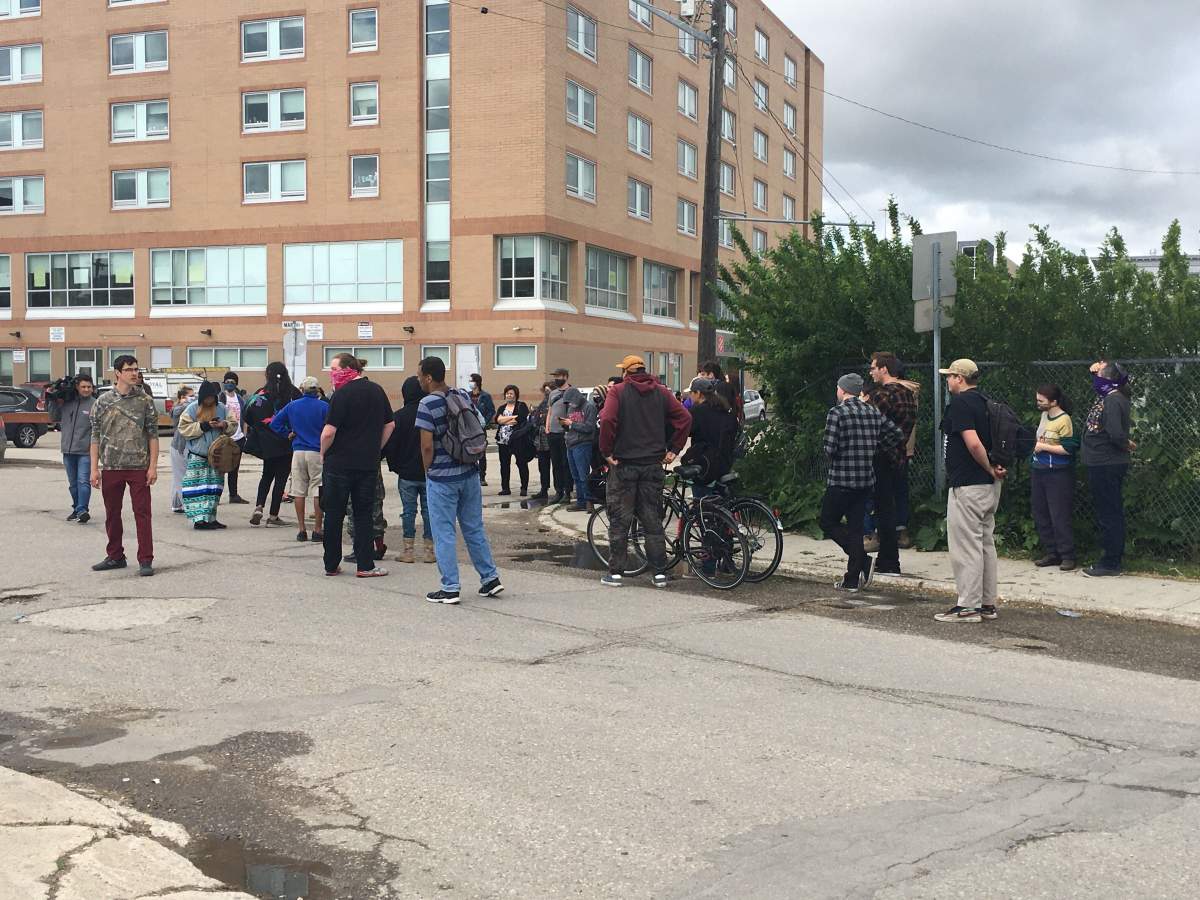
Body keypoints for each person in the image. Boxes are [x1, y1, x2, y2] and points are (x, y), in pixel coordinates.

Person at [597, 355, 691, 588]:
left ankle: (615, 573)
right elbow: (685, 417)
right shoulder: (661, 392)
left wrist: (606, 451)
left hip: (624, 464)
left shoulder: (617, 392)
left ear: (626, 372)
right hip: (652, 465)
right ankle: (659, 573)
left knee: (620, 520)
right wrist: (674, 449)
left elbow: (607, 419)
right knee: (652, 521)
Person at [416, 356, 504, 603]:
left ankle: (450, 587)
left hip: (442, 478)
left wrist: (428, 471)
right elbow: (479, 423)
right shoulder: (462, 395)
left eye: (420, 375)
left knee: (443, 532)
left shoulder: (427, 403)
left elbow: (426, 447)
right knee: (474, 528)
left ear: (429, 377)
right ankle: (490, 579)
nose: (419, 379)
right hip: (469, 471)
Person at [935, 359, 1007, 623]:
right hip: (989, 487)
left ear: (960, 379)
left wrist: (987, 467)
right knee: (985, 544)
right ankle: (987, 603)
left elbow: (973, 443)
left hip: (968, 484)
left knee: (966, 547)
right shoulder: (985, 402)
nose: (947, 380)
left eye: (950, 376)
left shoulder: (962, 404)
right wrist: (993, 471)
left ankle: (967, 606)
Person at [820, 373, 904, 593]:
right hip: (865, 479)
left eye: (838, 388)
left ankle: (862, 561)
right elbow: (896, 434)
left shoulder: (836, 413)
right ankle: (852, 578)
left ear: (843, 390)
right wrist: (876, 447)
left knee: (828, 522)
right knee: (856, 528)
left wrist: (840, 454)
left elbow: (829, 449)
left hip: (841, 479)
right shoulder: (873, 411)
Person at [320, 354, 394, 577]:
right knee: (364, 514)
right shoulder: (377, 390)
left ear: (347, 369)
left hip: (338, 464)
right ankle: (365, 565)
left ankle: (331, 564)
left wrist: (323, 453)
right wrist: (375, 448)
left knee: (333, 513)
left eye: (334, 369)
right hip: (366, 464)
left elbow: (329, 431)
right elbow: (390, 425)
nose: (331, 373)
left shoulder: (340, 395)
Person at [89, 355, 158, 577]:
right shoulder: (103, 401)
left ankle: (145, 559)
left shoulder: (145, 401)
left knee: (142, 513)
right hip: (111, 466)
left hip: (138, 465)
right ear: (118, 373)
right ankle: (115, 555)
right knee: (112, 513)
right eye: (129, 369)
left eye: (136, 369)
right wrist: (94, 468)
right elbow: (95, 437)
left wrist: (153, 466)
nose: (134, 373)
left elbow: (153, 436)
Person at [864, 353, 918, 575]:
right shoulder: (908, 394)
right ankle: (889, 559)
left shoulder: (881, 396)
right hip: (899, 455)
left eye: (874, 368)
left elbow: (870, 425)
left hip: (880, 457)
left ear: (884, 369)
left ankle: (888, 559)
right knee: (891, 506)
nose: (871, 372)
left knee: (882, 509)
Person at [1081, 360, 1134, 577]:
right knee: (1108, 511)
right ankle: (1110, 559)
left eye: (1101, 374)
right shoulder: (1109, 396)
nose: (1097, 378)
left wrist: (1124, 443)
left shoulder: (1113, 400)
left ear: (1110, 380)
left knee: (1109, 513)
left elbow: (1115, 433)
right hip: (1102, 461)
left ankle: (1111, 562)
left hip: (1106, 463)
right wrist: (1095, 371)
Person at [270, 376, 329, 543]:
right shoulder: (324, 406)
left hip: (298, 451)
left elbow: (275, 424)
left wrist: (287, 433)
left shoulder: (292, 406)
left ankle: (302, 529)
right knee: (318, 490)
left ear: (302, 390)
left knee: (298, 491)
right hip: (317, 451)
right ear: (317, 390)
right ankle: (317, 529)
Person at [384, 375, 436, 565]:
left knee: (408, 511)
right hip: (428, 471)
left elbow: (391, 445)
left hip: (406, 473)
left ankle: (408, 551)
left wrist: (395, 466)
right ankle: (429, 551)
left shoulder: (399, 415)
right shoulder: (430, 412)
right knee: (429, 511)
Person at [243, 362, 300, 527]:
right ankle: (273, 515)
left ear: (267, 374)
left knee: (266, 475)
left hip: (267, 443)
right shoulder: (293, 393)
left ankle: (259, 506)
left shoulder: (261, 394)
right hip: (287, 440)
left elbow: (248, 414)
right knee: (281, 479)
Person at [1029, 384, 1079, 571]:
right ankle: (1052, 552)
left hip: (1058, 472)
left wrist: (1045, 448)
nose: (1038, 403)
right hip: (1039, 469)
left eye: (1041, 401)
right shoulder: (1044, 416)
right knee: (1041, 512)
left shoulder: (1064, 420)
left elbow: (1069, 448)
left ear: (1054, 402)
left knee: (1059, 514)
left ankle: (1068, 555)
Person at [176, 381, 233, 530]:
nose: (209, 401)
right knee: (196, 488)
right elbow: (183, 428)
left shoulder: (222, 408)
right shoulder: (192, 408)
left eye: (211, 398)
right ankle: (199, 520)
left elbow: (234, 424)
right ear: (202, 398)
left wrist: (224, 425)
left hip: (217, 456)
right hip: (198, 454)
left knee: (214, 488)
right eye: (206, 398)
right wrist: (204, 425)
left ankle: (211, 518)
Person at [51, 373, 96, 524]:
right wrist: (53, 400)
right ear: (77, 387)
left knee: (83, 481)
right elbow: (53, 417)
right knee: (73, 483)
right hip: (68, 450)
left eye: (89, 387)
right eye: (83, 386)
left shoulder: (95, 404)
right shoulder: (67, 402)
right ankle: (77, 508)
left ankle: (83, 509)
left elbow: (99, 430)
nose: (86, 389)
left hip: (85, 451)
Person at [680, 377, 738, 489]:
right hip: (725, 462)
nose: (690, 396)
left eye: (691, 393)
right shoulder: (725, 408)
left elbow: (685, 431)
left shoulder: (697, 411)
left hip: (706, 464)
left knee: (701, 500)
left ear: (698, 393)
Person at [561, 386, 598, 512]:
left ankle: (589, 501)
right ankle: (581, 501)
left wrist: (572, 424)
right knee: (575, 475)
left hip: (583, 444)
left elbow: (589, 428)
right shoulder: (571, 408)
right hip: (570, 443)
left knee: (583, 475)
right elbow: (572, 426)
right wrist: (565, 425)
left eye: (571, 401)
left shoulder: (589, 407)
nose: (570, 404)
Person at [493, 385, 530, 496]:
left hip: (517, 440)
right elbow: (497, 420)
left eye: (511, 393)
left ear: (516, 395)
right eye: (507, 393)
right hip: (502, 441)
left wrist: (504, 420)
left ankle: (524, 488)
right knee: (504, 464)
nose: (509, 395)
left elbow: (519, 419)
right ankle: (505, 488)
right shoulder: (502, 407)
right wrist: (510, 418)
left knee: (521, 463)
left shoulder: (521, 405)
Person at [221, 372, 250, 504]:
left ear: (236, 384)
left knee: (235, 467)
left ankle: (234, 495)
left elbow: (245, 418)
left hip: (238, 437)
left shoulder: (240, 399)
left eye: (232, 381)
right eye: (227, 381)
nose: (229, 384)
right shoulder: (221, 397)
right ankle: (217, 495)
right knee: (220, 467)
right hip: (224, 437)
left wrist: (244, 434)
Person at [546, 367, 572, 503]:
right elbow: (550, 411)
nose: (556, 379)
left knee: (565, 463)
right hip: (553, 433)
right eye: (555, 376)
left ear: (565, 377)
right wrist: (547, 427)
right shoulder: (553, 393)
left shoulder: (572, 392)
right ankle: (558, 491)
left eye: (559, 376)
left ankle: (567, 493)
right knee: (555, 464)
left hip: (565, 433)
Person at [169, 385, 195, 514]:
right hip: (179, 446)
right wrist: (188, 404)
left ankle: (176, 504)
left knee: (178, 476)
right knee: (181, 477)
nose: (193, 398)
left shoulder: (187, 407)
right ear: (182, 397)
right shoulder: (179, 408)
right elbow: (177, 412)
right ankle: (186, 504)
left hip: (183, 445)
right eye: (190, 396)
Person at [469, 373, 496, 487]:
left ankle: (482, 476)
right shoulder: (467, 395)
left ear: (477, 382)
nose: (470, 383)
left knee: (481, 453)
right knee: (469, 451)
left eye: (471, 380)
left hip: (480, 427)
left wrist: (485, 422)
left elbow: (491, 410)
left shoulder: (485, 396)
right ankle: (471, 475)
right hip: (469, 428)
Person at [529, 381, 554, 500]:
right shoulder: (543, 403)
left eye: (549, 391)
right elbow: (536, 418)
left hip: (553, 438)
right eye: (546, 391)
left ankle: (562, 491)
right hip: (541, 440)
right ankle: (544, 489)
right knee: (543, 466)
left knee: (558, 466)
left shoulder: (558, 402)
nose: (547, 393)